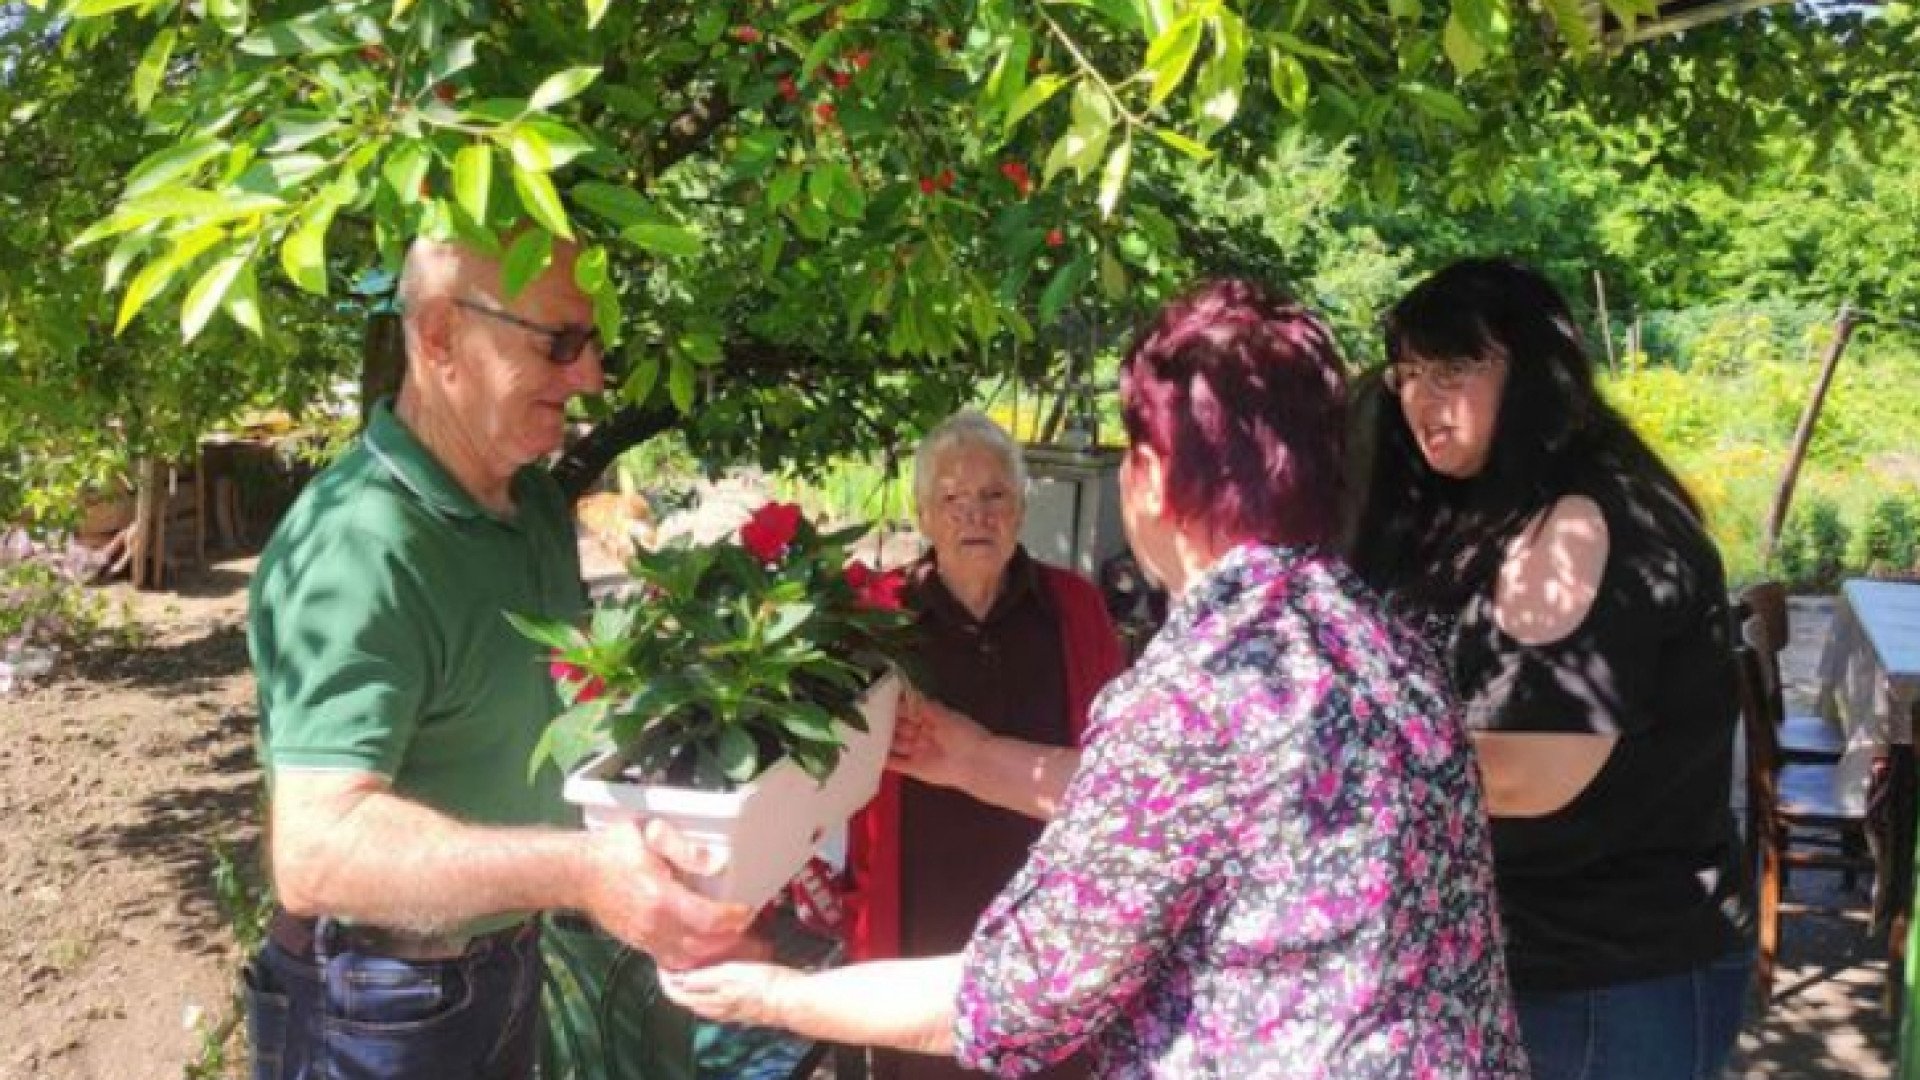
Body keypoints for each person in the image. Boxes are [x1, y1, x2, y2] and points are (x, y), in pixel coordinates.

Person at [662, 279, 1527, 1077]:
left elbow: (1020, 996)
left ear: (1147, 480)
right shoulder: (1386, 646)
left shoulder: (1201, 691)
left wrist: (771, 995)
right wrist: (971, 757)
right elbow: (1203, 808)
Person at [243, 235, 751, 1080]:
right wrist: (584, 872)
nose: (590, 378)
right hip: (377, 1002)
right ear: (440, 335)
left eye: (591, 346)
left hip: (504, 958)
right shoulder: (359, 547)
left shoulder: (538, 505)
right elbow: (317, 853)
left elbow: (559, 716)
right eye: (558, 342)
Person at [1349, 257, 1754, 1079]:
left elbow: (1528, 770)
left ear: (1537, 372)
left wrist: (1316, 777)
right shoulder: (1506, 506)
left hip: (1602, 977)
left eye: (1456, 368)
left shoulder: (1578, 525)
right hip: (1555, 964)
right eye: (1411, 371)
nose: (1424, 396)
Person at [845, 410, 1125, 1080]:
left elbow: (1119, 761)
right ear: (923, 512)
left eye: (995, 495)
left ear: (1024, 504)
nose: (976, 514)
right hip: (920, 914)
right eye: (952, 498)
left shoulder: (1075, 607)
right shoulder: (882, 618)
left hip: (1045, 919)